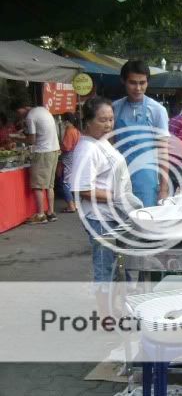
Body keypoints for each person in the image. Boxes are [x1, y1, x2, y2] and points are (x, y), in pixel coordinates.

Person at [70, 97, 143, 311]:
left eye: (111, 119)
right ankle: (105, 316)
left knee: (117, 266)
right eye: (102, 120)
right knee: (104, 268)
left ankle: (117, 308)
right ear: (88, 121)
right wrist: (116, 196)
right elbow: (82, 189)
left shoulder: (101, 142)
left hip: (114, 216)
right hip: (99, 218)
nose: (108, 124)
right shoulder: (87, 149)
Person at [112, 59, 170, 207]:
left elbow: (163, 152)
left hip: (146, 179)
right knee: (121, 224)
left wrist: (163, 188)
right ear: (123, 81)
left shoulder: (157, 110)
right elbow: (110, 146)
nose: (138, 88)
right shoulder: (114, 108)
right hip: (120, 178)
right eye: (132, 82)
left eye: (142, 83)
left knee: (146, 222)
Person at [12, 99, 60, 224]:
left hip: (43, 152)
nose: (19, 115)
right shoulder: (42, 110)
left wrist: (16, 137)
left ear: (25, 107)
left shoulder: (31, 116)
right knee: (49, 185)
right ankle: (50, 212)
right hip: (54, 150)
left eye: (19, 112)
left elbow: (32, 140)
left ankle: (40, 215)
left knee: (37, 185)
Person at [59, 112, 81, 213]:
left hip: (69, 157)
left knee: (66, 182)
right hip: (76, 156)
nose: (62, 123)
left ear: (67, 121)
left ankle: (71, 206)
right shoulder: (77, 131)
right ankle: (76, 204)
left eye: (63, 121)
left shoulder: (69, 131)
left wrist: (60, 146)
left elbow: (67, 147)